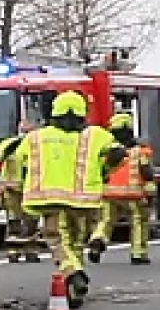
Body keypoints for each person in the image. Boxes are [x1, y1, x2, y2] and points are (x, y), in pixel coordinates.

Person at [20, 91, 125, 295]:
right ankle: (78, 284)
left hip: (49, 199)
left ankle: (73, 272)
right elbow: (118, 154)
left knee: (57, 239)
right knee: (81, 237)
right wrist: (104, 171)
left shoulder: (35, 137)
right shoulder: (96, 135)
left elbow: (20, 160)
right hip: (84, 200)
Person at [88, 113, 153, 265]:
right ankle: (138, 253)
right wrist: (149, 184)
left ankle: (98, 239)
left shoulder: (108, 151)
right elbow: (146, 171)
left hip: (109, 192)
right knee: (139, 221)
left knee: (105, 220)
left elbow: (101, 170)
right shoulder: (140, 151)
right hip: (133, 194)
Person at [0, 120, 41, 261]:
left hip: (32, 189)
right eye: (23, 131)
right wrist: (10, 147)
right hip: (12, 190)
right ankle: (13, 251)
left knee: (31, 222)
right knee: (14, 221)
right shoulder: (10, 144)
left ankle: (30, 251)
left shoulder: (39, 146)